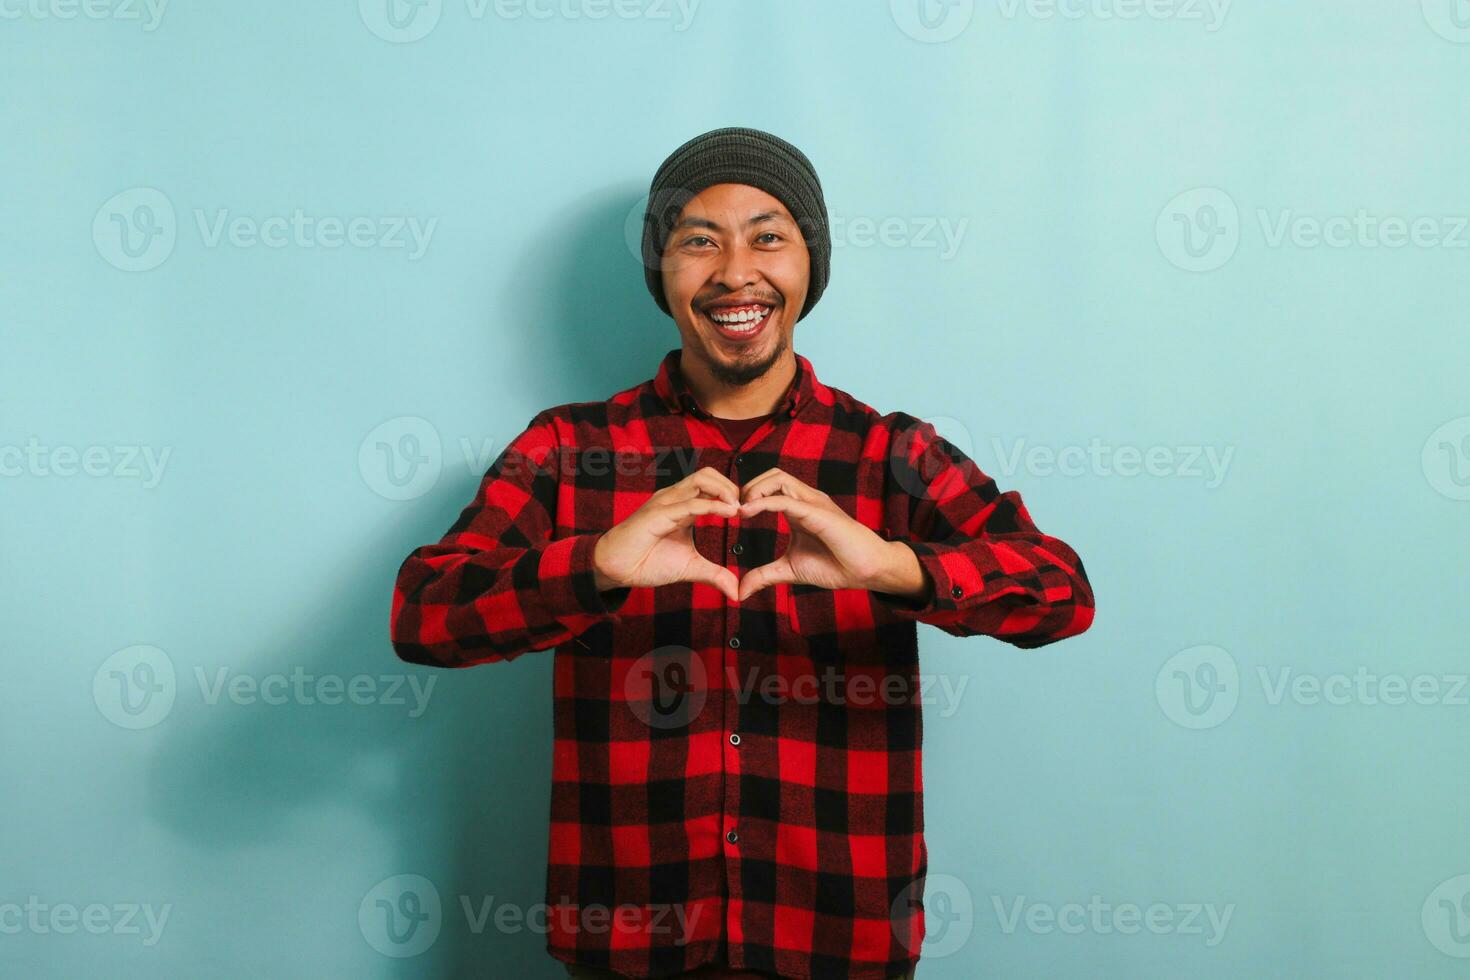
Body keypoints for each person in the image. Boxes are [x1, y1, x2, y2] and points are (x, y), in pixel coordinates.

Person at [390, 127, 1096, 979]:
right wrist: (594, 568)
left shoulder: (891, 454)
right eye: (698, 241)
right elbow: (423, 614)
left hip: (838, 941)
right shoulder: (567, 449)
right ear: (663, 274)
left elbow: (1062, 592)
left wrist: (893, 569)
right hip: (628, 947)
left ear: (809, 265)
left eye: (768, 236)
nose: (735, 272)